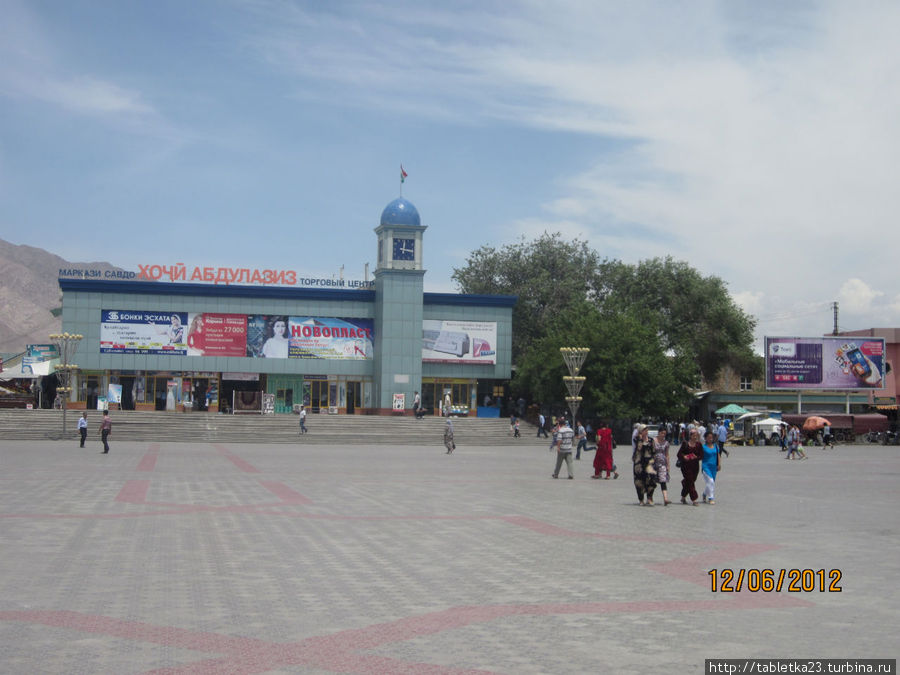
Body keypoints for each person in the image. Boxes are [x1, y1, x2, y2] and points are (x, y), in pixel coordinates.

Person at [632, 424, 657, 505]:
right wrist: (640, 439)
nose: (646, 431)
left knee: (651, 480)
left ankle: (650, 498)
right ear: (640, 431)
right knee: (639, 481)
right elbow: (638, 449)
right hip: (639, 463)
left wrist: (654, 461)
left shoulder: (651, 440)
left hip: (649, 463)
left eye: (647, 430)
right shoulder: (637, 439)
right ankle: (641, 499)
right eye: (644, 430)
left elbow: (654, 451)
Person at [677, 429, 702, 505]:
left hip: (695, 466)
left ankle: (683, 497)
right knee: (690, 481)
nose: (695, 437)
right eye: (694, 435)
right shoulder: (685, 444)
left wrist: (696, 457)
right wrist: (684, 457)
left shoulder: (699, 445)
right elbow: (679, 454)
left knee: (689, 481)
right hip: (686, 466)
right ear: (690, 436)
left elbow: (701, 456)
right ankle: (694, 499)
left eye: (696, 435)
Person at [653, 428, 672, 505]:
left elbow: (667, 454)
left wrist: (668, 465)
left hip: (662, 464)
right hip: (653, 463)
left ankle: (665, 499)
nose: (663, 435)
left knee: (663, 480)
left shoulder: (666, 443)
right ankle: (649, 497)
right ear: (659, 433)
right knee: (652, 481)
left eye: (665, 433)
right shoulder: (653, 441)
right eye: (662, 433)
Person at [700, 430, 720, 504]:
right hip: (706, 466)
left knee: (711, 483)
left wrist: (719, 464)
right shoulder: (703, 447)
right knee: (710, 481)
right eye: (709, 437)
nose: (710, 439)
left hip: (713, 467)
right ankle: (711, 498)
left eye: (711, 437)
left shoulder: (716, 446)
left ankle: (704, 494)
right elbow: (699, 456)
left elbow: (718, 455)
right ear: (705, 438)